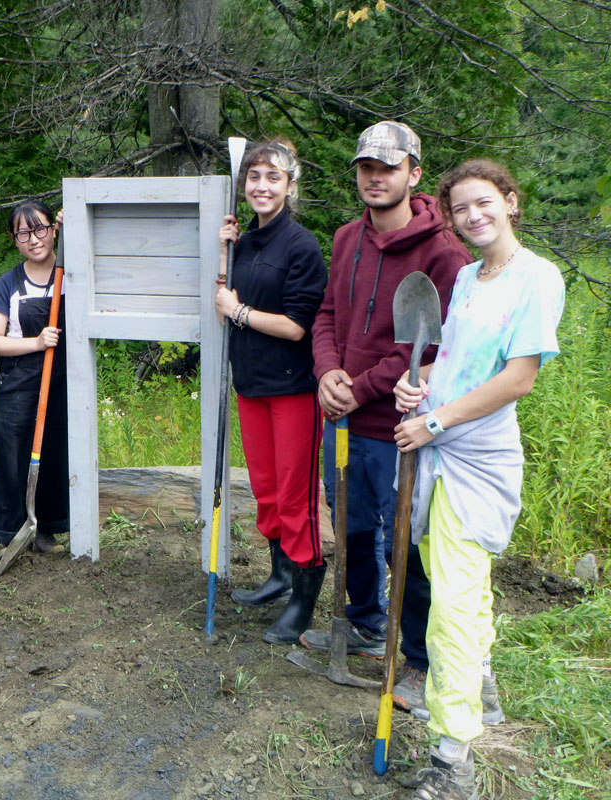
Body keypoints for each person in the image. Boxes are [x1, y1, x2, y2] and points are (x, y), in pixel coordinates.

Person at [394, 160, 564, 799]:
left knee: (452, 608)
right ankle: (482, 683)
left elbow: (517, 377)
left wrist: (433, 421)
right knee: (451, 578)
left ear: (511, 202)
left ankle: (452, 759)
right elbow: (455, 359)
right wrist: (423, 383)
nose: (473, 216)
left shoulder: (537, 278)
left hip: (477, 457)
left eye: (483, 203)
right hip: (440, 441)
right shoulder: (465, 277)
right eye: (461, 208)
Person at [308, 121, 471, 710]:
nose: (376, 178)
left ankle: (422, 661)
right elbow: (328, 313)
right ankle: (363, 621)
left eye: (389, 167)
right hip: (342, 418)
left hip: (399, 425)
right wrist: (328, 372)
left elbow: (429, 345)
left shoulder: (443, 254)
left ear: (414, 173)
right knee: (348, 523)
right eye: (366, 168)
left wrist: (363, 387)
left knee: (409, 542)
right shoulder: (348, 237)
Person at [215, 138, 328, 644]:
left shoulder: (301, 246)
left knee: (295, 497)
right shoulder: (244, 241)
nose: (262, 186)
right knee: (265, 489)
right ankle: (279, 574)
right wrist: (225, 246)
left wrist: (237, 312)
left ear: (290, 184)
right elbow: (227, 283)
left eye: (273, 177)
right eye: (254, 177)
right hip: (252, 384)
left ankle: (304, 595)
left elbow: (298, 326)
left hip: (294, 390)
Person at [0, 201, 68, 556]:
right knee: (12, 459)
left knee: (54, 455)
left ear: (53, 230)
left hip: (59, 382)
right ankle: (10, 533)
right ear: (14, 239)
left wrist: (74, 228)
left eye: (40, 229)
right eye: (23, 233)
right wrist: (35, 342)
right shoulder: (9, 283)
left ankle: (47, 528)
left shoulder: (70, 274)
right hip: (16, 386)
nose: (33, 239)